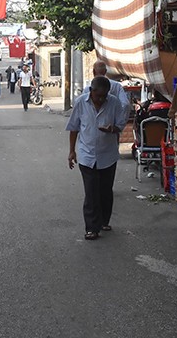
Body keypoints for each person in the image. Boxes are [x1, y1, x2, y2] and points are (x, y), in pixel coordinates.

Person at [66, 76, 128, 240]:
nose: (100, 99)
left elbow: (121, 124)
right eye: (98, 95)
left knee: (105, 191)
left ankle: (103, 221)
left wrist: (113, 129)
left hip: (107, 155)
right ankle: (91, 228)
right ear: (91, 91)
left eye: (103, 96)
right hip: (87, 155)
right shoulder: (81, 103)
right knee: (91, 192)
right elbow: (74, 128)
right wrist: (72, 151)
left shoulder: (114, 103)